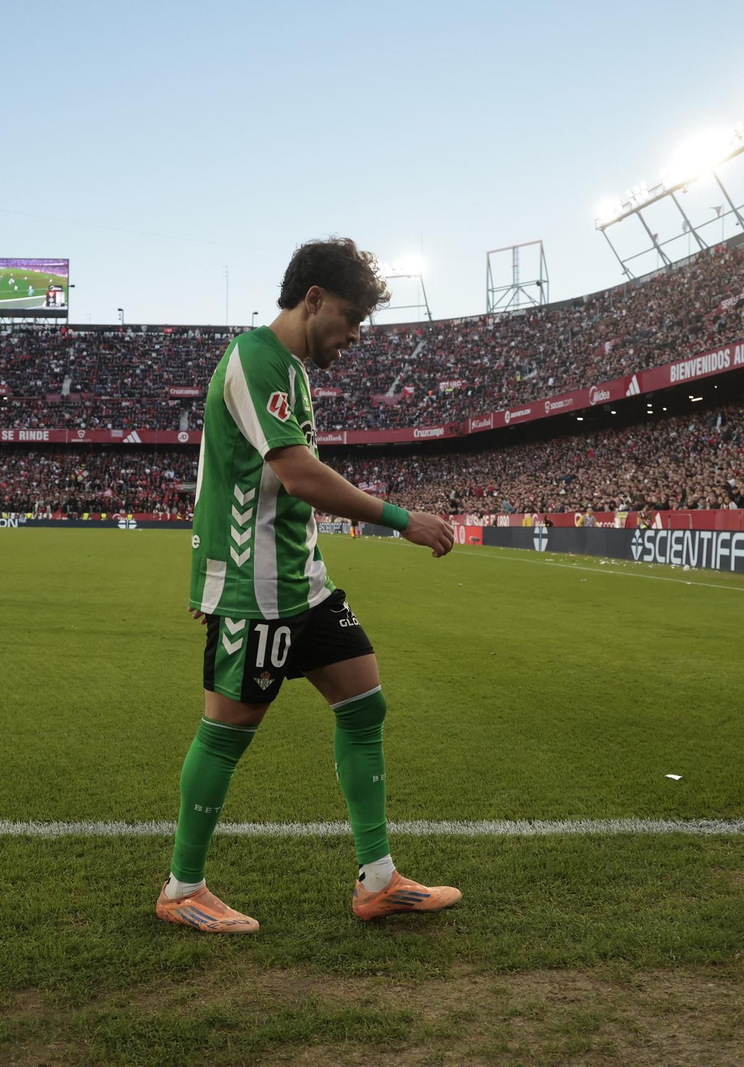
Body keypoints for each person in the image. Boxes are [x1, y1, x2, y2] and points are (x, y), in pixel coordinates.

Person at [158, 237, 459, 936]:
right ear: (313, 299)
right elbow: (298, 475)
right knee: (228, 731)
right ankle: (182, 886)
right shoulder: (256, 358)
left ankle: (378, 880)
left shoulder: (290, 369)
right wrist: (401, 519)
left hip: (304, 579)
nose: (354, 337)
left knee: (364, 700)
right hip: (251, 582)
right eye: (350, 319)